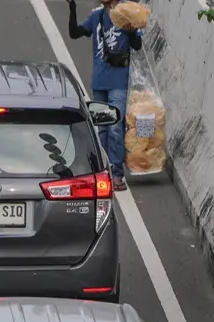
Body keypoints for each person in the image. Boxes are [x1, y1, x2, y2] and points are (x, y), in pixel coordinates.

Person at [67, 0, 142, 191]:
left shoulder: (127, 13)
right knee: (102, 129)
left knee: (116, 127)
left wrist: (131, 28)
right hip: (99, 81)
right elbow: (74, 33)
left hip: (118, 81)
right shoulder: (96, 16)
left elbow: (137, 45)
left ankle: (116, 174)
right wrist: (72, 8)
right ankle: (104, 172)